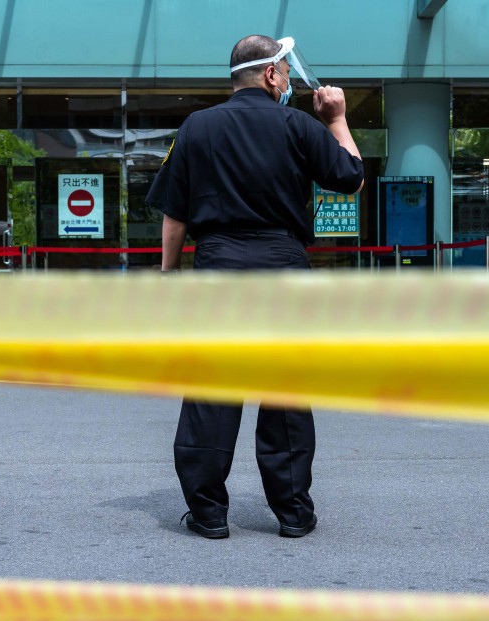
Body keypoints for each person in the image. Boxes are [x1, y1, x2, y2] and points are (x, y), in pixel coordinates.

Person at [145, 34, 364, 539]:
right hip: (283, 268)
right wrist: (336, 119)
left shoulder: (197, 127)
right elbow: (351, 176)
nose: (288, 80)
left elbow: (175, 212)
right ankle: (292, 513)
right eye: (286, 71)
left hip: (219, 266)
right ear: (270, 74)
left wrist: (168, 277)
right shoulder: (299, 126)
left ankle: (208, 512)